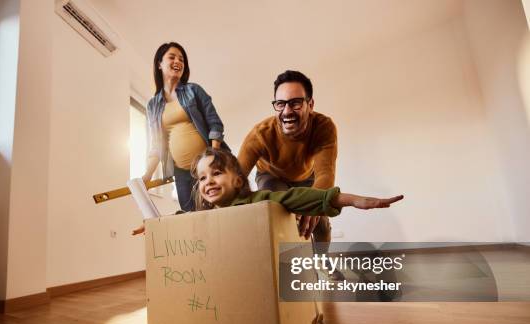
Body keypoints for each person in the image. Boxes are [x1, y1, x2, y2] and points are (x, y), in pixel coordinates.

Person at [237, 70, 336, 240]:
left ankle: (323, 265)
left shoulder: (323, 127)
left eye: (296, 103)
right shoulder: (260, 134)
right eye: (281, 104)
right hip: (271, 176)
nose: (287, 111)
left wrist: (315, 206)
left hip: (307, 177)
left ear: (310, 105)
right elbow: (235, 178)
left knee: (321, 224)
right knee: (279, 210)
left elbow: (325, 173)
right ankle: (284, 261)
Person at [142, 42, 227, 212]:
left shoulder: (193, 90)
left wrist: (212, 159)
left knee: (218, 213)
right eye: (172, 57)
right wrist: (148, 175)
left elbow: (215, 124)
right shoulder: (153, 105)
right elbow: (157, 145)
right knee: (191, 217)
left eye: (181, 59)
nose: (178, 61)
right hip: (181, 173)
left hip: (208, 166)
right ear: (159, 64)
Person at [192, 148, 403, 215]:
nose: (208, 181)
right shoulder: (202, 218)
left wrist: (353, 200)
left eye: (216, 173)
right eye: (202, 177)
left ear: (238, 181)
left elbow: (298, 197)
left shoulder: (258, 201)